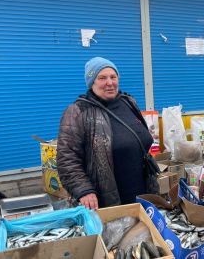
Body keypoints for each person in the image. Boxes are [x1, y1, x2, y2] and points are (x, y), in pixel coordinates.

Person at [57, 57, 154, 209]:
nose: (109, 82)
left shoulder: (128, 102)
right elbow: (67, 159)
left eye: (113, 77)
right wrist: (83, 191)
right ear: (91, 82)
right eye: (102, 78)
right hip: (106, 198)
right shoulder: (78, 111)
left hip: (142, 191)